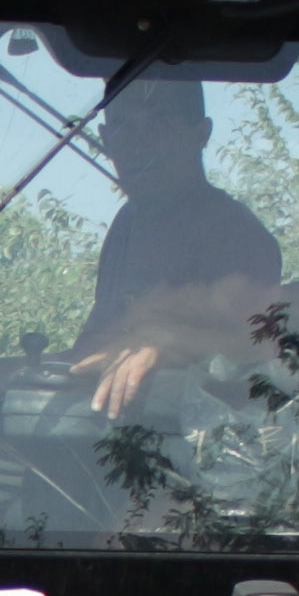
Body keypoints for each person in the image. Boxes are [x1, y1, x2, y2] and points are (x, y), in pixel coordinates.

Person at [67, 75, 283, 420]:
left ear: (201, 134)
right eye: (123, 127)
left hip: (193, 453)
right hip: (109, 434)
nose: (138, 145)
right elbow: (95, 346)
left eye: (159, 124)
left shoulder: (234, 232)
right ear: (106, 139)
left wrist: (168, 343)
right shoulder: (128, 223)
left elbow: (257, 349)